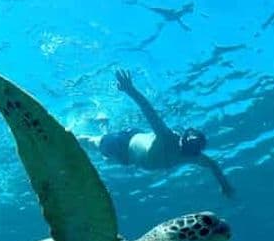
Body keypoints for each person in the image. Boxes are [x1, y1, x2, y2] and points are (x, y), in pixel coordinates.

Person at [79, 70, 234, 198]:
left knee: (106, 158)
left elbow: (213, 165)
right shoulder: (169, 138)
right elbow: (149, 111)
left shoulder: (194, 156)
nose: (183, 147)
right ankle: (74, 135)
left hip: (129, 156)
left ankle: (104, 124)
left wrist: (225, 186)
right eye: (185, 143)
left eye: (190, 148)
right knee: (92, 143)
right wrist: (130, 89)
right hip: (122, 144)